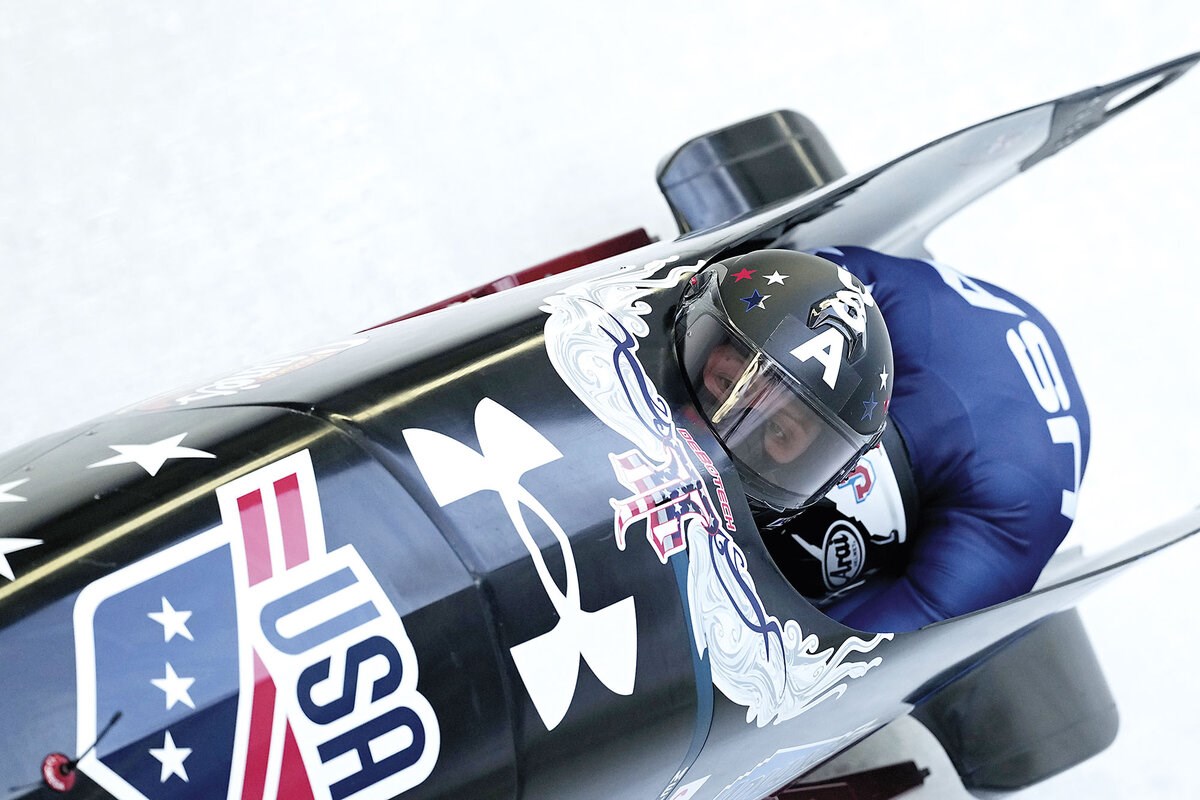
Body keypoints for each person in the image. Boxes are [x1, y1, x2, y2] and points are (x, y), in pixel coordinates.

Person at [675, 247, 1089, 633]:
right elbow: (724, 293)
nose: (740, 423)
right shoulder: (861, 296)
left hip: (1020, 490)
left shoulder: (1008, 519)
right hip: (921, 311)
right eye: (727, 385)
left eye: (779, 432)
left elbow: (859, 659)